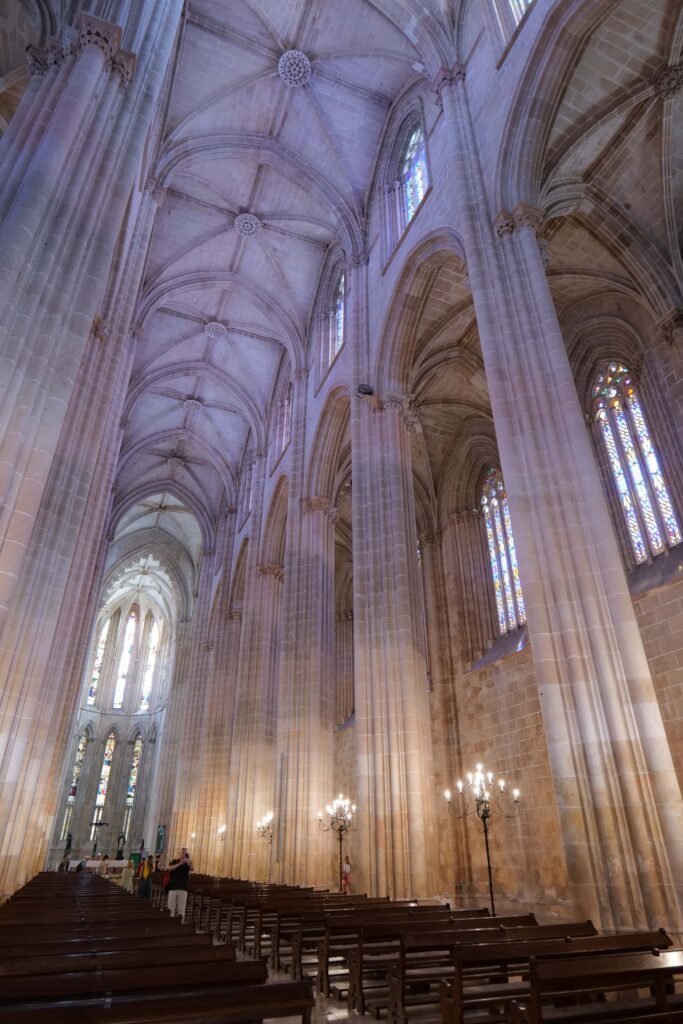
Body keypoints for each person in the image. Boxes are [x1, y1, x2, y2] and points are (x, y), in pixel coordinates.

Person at [166, 847, 192, 922]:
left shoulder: (187, 863)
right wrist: (180, 863)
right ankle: (171, 923)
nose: (183, 854)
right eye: (182, 852)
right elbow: (170, 868)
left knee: (181, 909)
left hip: (183, 888)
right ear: (179, 853)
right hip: (173, 888)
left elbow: (192, 869)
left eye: (185, 853)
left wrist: (189, 863)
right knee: (171, 908)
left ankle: (181, 924)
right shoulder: (174, 861)